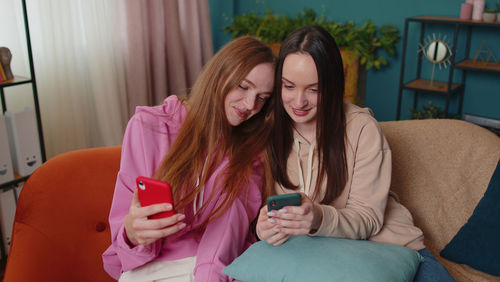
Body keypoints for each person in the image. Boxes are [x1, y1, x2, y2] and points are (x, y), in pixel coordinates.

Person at [256, 26, 455, 282]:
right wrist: (263, 228)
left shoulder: (362, 129)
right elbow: (256, 207)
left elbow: (368, 219)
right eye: (289, 86)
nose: (299, 101)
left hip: (391, 245)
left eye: (314, 89)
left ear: (334, 85)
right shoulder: (268, 131)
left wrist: (317, 217)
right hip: (320, 254)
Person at [102, 36, 275, 282]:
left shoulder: (250, 154)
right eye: (243, 87)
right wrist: (133, 232)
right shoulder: (148, 127)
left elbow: (223, 240)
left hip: (212, 270)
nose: (250, 105)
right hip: (148, 268)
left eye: (262, 98)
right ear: (219, 74)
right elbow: (125, 240)